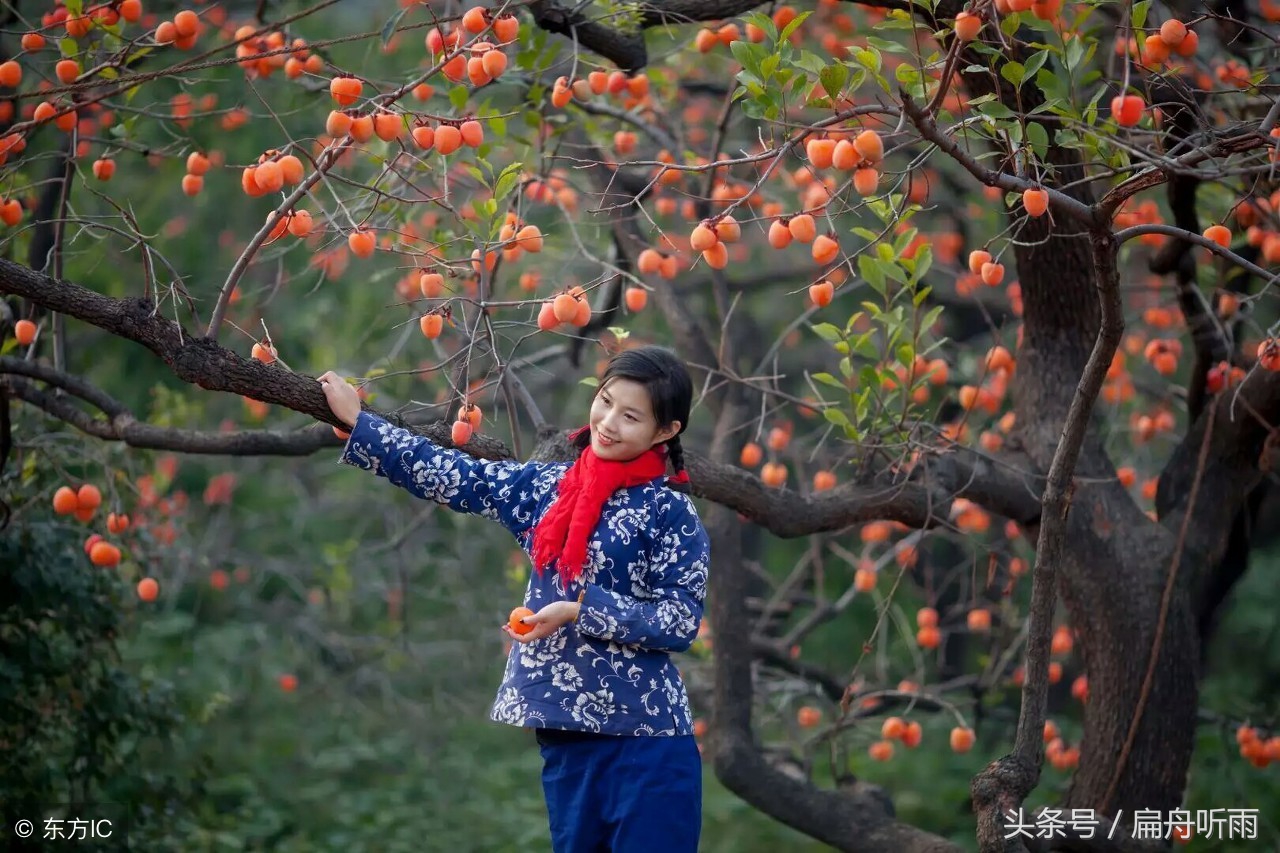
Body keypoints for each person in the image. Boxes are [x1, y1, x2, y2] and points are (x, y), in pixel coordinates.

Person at [318, 344, 710, 853]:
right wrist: (360, 422)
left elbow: (678, 621)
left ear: (665, 431)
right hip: (566, 736)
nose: (608, 423)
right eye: (606, 401)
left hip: (648, 741)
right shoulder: (546, 489)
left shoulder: (670, 513)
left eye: (630, 416)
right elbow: (454, 474)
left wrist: (579, 610)